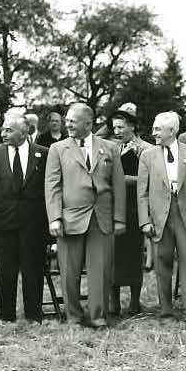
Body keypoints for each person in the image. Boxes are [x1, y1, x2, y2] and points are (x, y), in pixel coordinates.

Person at [44, 103, 121, 330]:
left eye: (72, 121)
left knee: (100, 270)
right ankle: (74, 317)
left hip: (102, 217)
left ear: (89, 123)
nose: (68, 124)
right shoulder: (58, 149)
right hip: (70, 218)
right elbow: (52, 186)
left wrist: (119, 218)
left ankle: (98, 316)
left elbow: (117, 185)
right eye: (67, 120)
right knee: (69, 271)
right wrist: (54, 217)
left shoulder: (109, 148)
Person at [138, 110, 186, 323]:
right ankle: (166, 312)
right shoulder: (147, 156)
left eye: (158, 129)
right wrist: (144, 221)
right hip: (160, 218)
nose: (153, 133)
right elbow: (142, 193)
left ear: (172, 130)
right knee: (162, 264)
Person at [0, 108, 47, 323]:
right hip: (4, 219)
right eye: (2, 130)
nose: (3, 134)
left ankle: (33, 314)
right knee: (6, 269)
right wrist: (2, 208)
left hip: (33, 222)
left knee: (33, 268)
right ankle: (6, 314)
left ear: (24, 131)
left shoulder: (43, 154)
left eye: (8, 130)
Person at [105, 111, 145, 317]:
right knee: (113, 255)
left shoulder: (146, 149)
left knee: (133, 255)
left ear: (132, 126)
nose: (117, 131)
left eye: (121, 127)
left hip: (135, 209)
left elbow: (153, 179)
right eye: (115, 127)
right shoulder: (112, 147)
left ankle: (135, 301)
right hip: (114, 208)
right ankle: (114, 302)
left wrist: (124, 179)